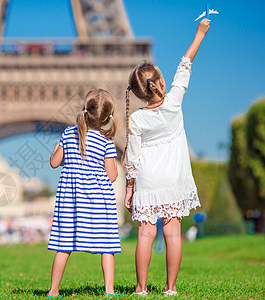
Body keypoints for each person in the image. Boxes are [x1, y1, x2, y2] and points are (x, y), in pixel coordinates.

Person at [123, 19, 211, 296]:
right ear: (160, 82)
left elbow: (133, 157)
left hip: (148, 180)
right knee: (173, 234)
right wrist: (200, 33)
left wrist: (129, 188)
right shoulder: (174, 102)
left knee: (145, 235)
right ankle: (170, 288)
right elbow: (185, 63)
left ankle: (140, 287)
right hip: (174, 177)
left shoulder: (136, 119)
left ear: (137, 93)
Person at [47, 89, 121, 298]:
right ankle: (109, 291)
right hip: (99, 201)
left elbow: (54, 163)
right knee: (107, 246)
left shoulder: (68, 134)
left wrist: (56, 148)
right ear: (107, 117)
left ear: (84, 110)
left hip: (70, 202)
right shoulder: (106, 142)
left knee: (63, 247)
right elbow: (113, 176)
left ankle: (53, 291)